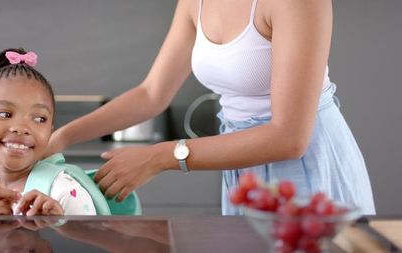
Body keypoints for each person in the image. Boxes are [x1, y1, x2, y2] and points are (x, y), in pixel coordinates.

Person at [46, 0, 375, 215]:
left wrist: (161, 157)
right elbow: (152, 93)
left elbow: (290, 137)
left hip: (308, 169)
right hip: (241, 166)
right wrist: (62, 137)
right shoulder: (195, 2)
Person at [0, 48, 97, 216]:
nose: (21, 127)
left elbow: (92, 241)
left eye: (39, 119)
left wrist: (59, 226)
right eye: (5, 114)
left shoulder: (65, 193)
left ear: (49, 131)